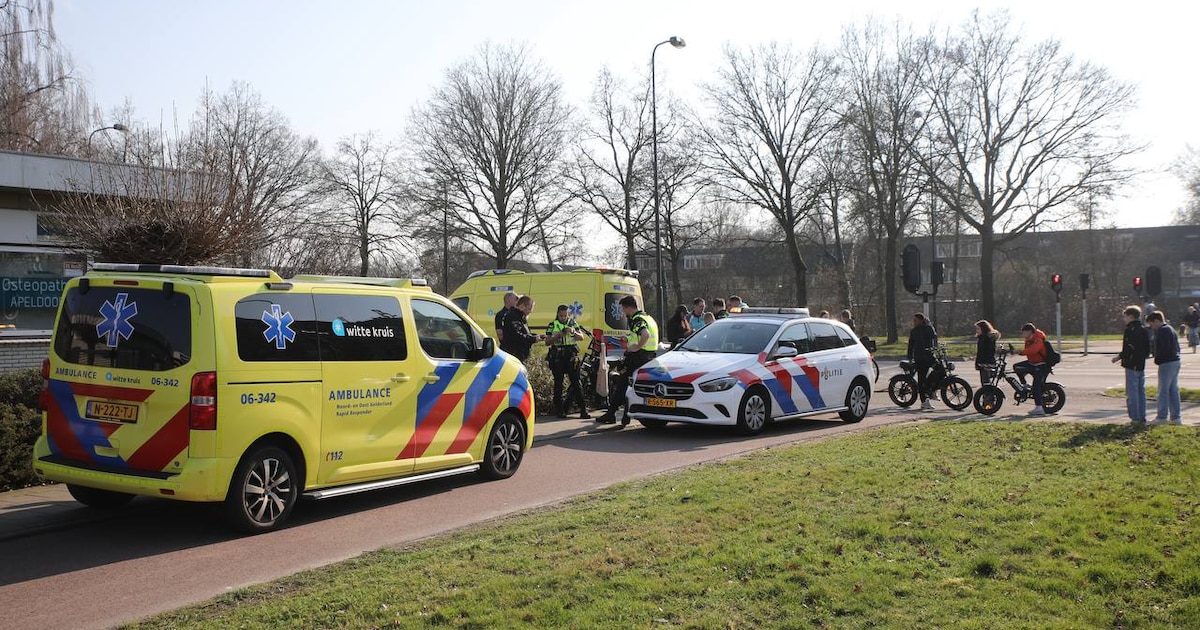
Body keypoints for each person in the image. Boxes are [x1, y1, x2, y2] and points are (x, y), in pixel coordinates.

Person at [597, 295, 659, 427]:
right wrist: (628, 339)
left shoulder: (636, 320)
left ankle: (611, 413)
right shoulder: (648, 318)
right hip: (648, 357)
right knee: (631, 387)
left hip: (637, 358)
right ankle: (626, 416)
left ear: (628, 308)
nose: (623, 312)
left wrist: (637, 346)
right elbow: (642, 336)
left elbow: (645, 334)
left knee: (622, 385)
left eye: (623, 309)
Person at [545, 305, 588, 419]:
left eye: (565, 315)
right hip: (558, 356)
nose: (563, 318)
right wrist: (558, 335)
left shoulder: (572, 323)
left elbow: (581, 337)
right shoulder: (552, 325)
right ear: (557, 314)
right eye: (561, 315)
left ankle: (583, 410)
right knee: (558, 384)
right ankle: (559, 410)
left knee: (576, 383)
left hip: (571, 356)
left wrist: (573, 332)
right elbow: (547, 342)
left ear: (568, 314)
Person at [1111, 305, 1151, 424]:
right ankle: (1142, 416)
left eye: (1125, 316)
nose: (1124, 319)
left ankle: (1135, 418)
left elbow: (1129, 347)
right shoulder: (1144, 329)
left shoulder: (1130, 330)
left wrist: (1119, 356)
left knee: (1132, 392)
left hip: (1131, 363)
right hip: (1140, 364)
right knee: (1141, 391)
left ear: (1131, 316)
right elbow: (1148, 347)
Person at [1147, 311, 1182, 425]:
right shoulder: (1170, 329)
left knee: (1163, 390)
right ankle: (1176, 417)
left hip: (1166, 362)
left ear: (1156, 321)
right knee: (1173, 390)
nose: (1152, 327)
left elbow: (1162, 349)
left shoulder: (1162, 331)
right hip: (1175, 361)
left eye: (1152, 324)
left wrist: (1157, 360)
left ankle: (1162, 417)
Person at [1013, 323, 1049, 415]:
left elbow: (1034, 350)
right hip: (1033, 363)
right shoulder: (1029, 339)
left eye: (1024, 332)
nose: (1023, 335)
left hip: (1041, 365)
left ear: (1030, 332)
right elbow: (1028, 352)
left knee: (1036, 386)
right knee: (1017, 367)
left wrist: (1020, 352)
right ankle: (1024, 385)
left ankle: (1039, 408)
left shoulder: (1038, 339)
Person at [906, 312, 938, 411]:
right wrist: (910, 357)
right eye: (913, 320)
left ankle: (931, 389)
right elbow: (910, 345)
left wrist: (935, 348)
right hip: (920, 358)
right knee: (921, 379)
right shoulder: (914, 331)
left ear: (922, 320)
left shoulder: (928, 328)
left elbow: (934, 338)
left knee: (940, 370)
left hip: (930, 356)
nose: (914, 322)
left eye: (916, 320)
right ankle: (924, 402)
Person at [500, 295, 544, 361]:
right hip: (514, 355)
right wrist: (533, 339)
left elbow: (524, 333)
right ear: (522, 306)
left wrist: (536, 336)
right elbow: (516, 335)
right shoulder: (513, 316)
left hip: (520, 354)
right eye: (529, 308)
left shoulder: (521, 317)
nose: (531, 311)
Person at [974, 319, 1000, 387]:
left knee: (986, 383)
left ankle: (989, 396)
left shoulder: (988, 338)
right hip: (983, 363)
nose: (977, 331)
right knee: (985, 382)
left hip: (987, 363)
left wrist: (980, 362)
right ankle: (987, 395)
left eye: (978, 329)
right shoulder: (981, 338)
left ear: (984, 329)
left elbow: (987, 352)